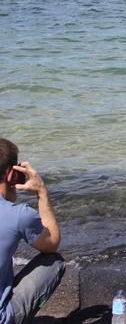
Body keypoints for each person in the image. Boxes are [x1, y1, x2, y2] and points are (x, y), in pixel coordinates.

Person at [0, 138, 65, 324]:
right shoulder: (19, 215)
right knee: (54, 262)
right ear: (11, 173)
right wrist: (42, 192)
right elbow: (52, 243)